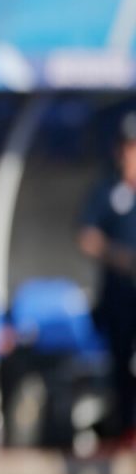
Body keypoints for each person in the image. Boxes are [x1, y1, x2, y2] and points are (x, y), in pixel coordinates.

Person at [78, 111, 136, 445]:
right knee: (120, 365)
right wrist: (119, 257)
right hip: (118, 298)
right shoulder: (109, 190)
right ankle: (124, 429)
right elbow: (87, 234)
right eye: (128, 147)